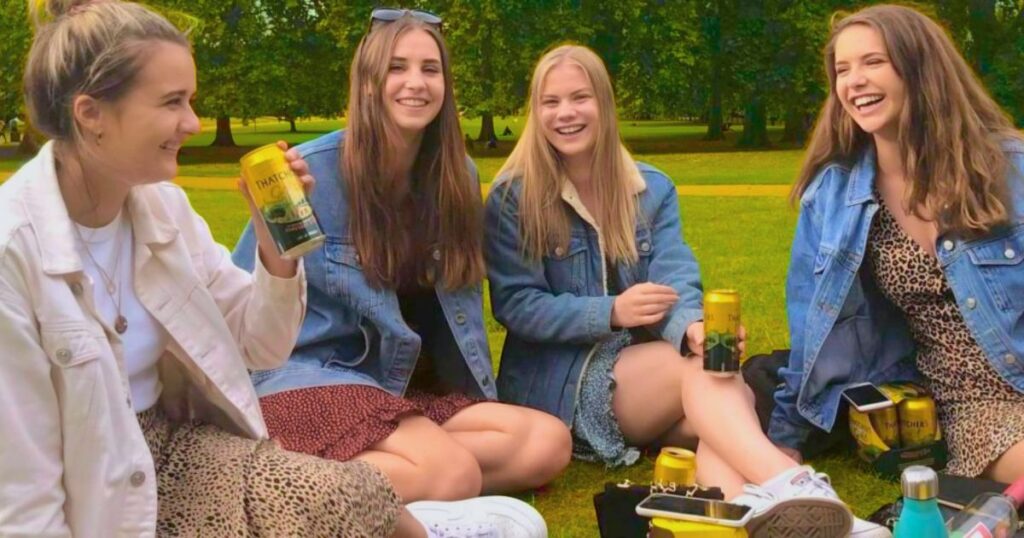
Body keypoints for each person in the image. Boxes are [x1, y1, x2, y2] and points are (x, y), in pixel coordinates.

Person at [0, 0, 411, 536]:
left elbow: (261, 346)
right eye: (173, 102)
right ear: (90, 114)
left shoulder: (162, 209)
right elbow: (22, 492)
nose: (193, 123)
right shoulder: (14, 252)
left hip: (174, 449)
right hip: (92, 489)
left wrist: (274, 244)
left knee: (365, 496)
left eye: (190, 101)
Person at [484, 44, 891, 538]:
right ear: (536, 111)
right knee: (704, 376)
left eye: (580, 97)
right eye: (551, 102)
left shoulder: (651, 188)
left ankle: (753, 516)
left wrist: (694, 328)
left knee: (722, 413)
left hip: (645, 380)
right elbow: (517, 306)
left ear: (605, 103)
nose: (566, 113)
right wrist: (611, 311)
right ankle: (797, 485)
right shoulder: (514, 196)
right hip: (561, 385)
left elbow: (676, 275)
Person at [232, 8, 568, 534]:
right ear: (368, 81)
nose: (416, 83)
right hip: (304, 376)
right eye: (397, 67)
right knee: (453, 471)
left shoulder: (454, 175)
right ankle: (265, 487)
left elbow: (458, 308)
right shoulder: (310, 170)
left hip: (387, 386)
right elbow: (240, 298)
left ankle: (398, 484)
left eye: (430, 69)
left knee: (544, 444)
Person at [773, 4, 1024, 486]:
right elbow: (810, 326)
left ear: (920, 70)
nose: (854, 81)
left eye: (874, 62)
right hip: (971, 403)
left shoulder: (1009, 167)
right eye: (842, 70)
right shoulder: (832, 196)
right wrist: (785, 437)